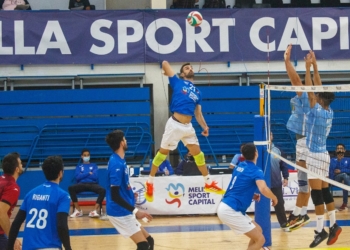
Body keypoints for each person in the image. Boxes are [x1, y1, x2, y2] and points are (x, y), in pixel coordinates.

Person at [144, 61, 224, 202]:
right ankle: (150, 183)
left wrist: (205, 127)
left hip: (188, 127)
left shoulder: (198, 92)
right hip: (174, 124)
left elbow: (198, 114)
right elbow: (164, 63)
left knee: (199, 154)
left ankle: (208, 183)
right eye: (187, 68)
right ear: (182, 73)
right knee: (162, 153)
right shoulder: (177, 82)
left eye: (191, 67)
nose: (190, 69)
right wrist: (167, 71)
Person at [287, 46, 341, 247]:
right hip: (324, 155)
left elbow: (311, 89)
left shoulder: (316, 110)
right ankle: (333, 225)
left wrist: (308, 69)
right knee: (325, 192)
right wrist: (315, 66)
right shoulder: (329, 111)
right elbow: (317, 88)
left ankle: (320, 231)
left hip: (315, 155)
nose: (316, 94)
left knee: (317, 194)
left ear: (320, 99)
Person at [217, 143, 278, 250]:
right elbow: (263, 189)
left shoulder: (239, 166)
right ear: (256, 153)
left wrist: (252, 195)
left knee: (258, 230)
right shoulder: (256, 171)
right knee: (261, 240)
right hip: (230, 210)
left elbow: (238, 186)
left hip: (226, 206)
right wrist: (274, 197)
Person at [7, 156, 72, 250]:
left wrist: (9, 248)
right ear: (60, 173)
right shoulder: (63, 196)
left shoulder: (30, 193)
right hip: (50, 246)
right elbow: (61, 225)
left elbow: (16, 223)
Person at [105, 130, 154, 250]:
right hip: (119, 212)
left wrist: (131, 194)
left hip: (124, 210)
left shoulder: (120, 160)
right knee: (143, 245)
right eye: (125, 139)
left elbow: (122, 187)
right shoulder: (116, 164)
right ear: (122, 143)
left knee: (149, 241)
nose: (126, 141)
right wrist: (136, 211)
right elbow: (115, 195)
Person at [284, 44, 312, 231]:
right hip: (305, 142)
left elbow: (295, 80)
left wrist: (287, 61)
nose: (297, 87)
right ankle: (300, 215)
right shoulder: (306, 98)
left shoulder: (307, 97)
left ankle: (298, 214)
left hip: (305, 143)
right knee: (306, 184)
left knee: (304, 183)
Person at [69, 149, 106, 218]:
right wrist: (89, 173)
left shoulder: (94, 165)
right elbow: (77, 177)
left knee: (102, 190)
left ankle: (94, 211)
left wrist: (82, 174)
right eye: (85, 155)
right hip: (81, 184)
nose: (86, 156)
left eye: (88, 155)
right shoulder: (79, 166)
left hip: (93, 184)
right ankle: (78, 210)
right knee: (71, 188)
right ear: (81, 156)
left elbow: (95, 177)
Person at [0, 153, 23, 250]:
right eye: (21, 163)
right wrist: (12, 238)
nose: (22, 166)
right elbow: (1, 212)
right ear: (17, 169)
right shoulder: (12, 187)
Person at [269, 133, 289, 230]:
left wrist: (286, 177)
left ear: (272, 137)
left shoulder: (278, 150)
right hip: (262, 183)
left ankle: (284, 224)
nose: (269, 136)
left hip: (275, 183)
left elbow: (284, 165)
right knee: (261, 204)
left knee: (279, 203)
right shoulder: (257, 150)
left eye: (270, 134)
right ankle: (262, 225)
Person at [329, 143, 350, 211]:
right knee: (344, 176)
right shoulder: (332, 160)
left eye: (341, 148)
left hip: (346, 179)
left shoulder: (348, 159)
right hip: (336, 179)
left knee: (345, 177)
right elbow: (331, 171)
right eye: (338, 148)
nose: (339, 149)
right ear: (335, 150)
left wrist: (341, 171)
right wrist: (338, 160)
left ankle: (344, 203)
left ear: (344, 150)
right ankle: (344, 203)